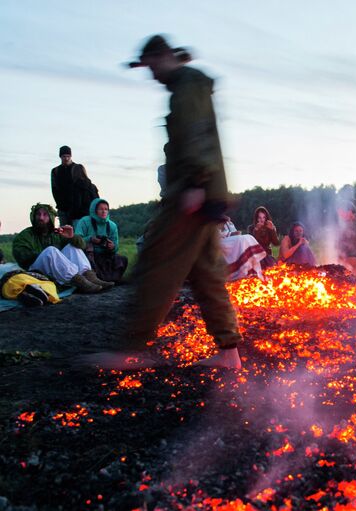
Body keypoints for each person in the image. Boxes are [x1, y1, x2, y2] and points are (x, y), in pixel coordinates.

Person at [89, 34, 244, 369]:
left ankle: (130, 349)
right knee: (206, 274)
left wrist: (195, 182)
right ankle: (229, 352)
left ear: (162, 57)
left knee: (157, 264)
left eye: (151, 65)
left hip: (193, 190)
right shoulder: (188, 84)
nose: (151, 74)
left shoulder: (187, 84)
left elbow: (196, 131)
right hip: (205, 190)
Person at [12, 203, 109, 293]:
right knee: (50, 251)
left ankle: (91, 277)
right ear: (33, 217)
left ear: (51, 217)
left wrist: (71, 237)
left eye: (45, 214)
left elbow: (82, 246)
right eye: (38, 214)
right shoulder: (26, 235)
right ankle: (80, 282)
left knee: (72, 247)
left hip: (57, 270)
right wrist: (48, 255)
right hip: (36, 270)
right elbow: (21, 255)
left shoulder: (57, 233)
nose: (41, 218)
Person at [75, 198, 129, 283]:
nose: (104, 211)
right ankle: (99, 279)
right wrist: (90, 239)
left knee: (122, 259)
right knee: (89, 256)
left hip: (105, 254)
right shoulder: (84, 221)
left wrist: (112, 246)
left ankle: (110, 279)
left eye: (106, 209)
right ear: (94, 210)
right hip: (90, 254)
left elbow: (116, 245)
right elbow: (76, 240)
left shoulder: (112, 226)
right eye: (100, 209)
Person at [50, 145, 99, 227]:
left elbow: (84, 186)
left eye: (68, 156)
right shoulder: (56, 171)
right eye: (64, 156)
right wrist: (60, 203)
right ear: (60, 157)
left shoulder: (77, 168)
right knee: (65, 233)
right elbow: (54, 189)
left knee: (77, 232)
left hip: (77, 208)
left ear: (71, 156)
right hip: (63, 208)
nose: (66, 158)